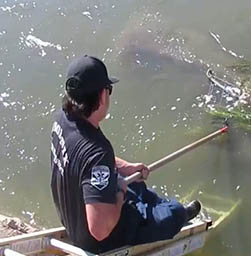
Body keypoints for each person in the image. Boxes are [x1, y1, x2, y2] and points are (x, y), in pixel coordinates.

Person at [50, 55, 201, 254]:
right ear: (103, 96)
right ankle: (177, 213)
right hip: (98, 241)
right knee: (173, 213)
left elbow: (85, 163)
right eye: (109, 90)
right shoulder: (97, 151)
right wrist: (119, 191)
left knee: (135, 183)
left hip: (71, 217)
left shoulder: (63, 119)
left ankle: (148, 206)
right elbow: (100, 230)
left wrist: (124, 167)